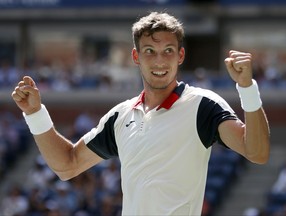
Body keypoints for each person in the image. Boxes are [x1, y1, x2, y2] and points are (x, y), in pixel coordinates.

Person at [11, 11, 270, 216]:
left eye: (168, 51)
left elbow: (257, 152)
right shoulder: (120, 116)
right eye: (150, 51)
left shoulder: (203, 105)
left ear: (180, 56)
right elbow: (67, 165)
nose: (159, 61)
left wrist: (247, 88)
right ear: (136, 56)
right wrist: (35, 113)